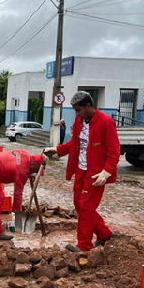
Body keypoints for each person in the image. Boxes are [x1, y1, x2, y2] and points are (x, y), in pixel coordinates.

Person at [44, 91, 120, 253]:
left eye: (79, 110)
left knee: (86, 207)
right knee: (79, 205)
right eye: (75, 111)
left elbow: (114, 150)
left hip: (96, 173)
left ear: (88, 106)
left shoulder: (106, 122)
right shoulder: (80, 122)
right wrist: (58, 149)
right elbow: (74, 143)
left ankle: (83, 245)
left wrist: (107, 172)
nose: (77, 114)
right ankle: (104, 234)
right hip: (81, 169)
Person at [0, 149, 46, 240]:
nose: (36, 173)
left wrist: (29, 174)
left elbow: (17, 165)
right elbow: (18, 194)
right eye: (36, 170)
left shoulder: (25, 153)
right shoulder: (22, 172)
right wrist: (17, 213)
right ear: (32, 165)